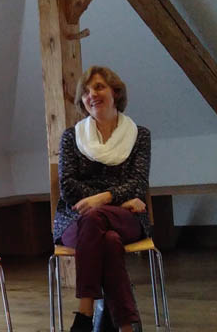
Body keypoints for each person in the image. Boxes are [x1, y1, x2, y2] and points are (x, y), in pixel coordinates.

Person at [52, 66, 151, 332]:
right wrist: (118, 198)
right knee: (108, 241)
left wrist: (102, 199)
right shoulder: (71, 137)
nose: (91, 95)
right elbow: (68, 187)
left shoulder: (139, 135)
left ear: (115, 92)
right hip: (75, 218)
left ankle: (84, 312)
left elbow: (139, 183)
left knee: (96, 217)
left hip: (126, 218)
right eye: (85, 92)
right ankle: (127, 327)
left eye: (98, 87)